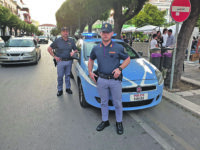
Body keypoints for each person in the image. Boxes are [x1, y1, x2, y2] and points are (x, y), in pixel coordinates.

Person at [88, 23, 130, 135]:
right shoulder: (96, 48)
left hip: (115, 81)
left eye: (107, 32)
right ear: (100, 33)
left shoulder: (118, 47)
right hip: (101, 79)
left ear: (112, 34)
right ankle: (105, 121)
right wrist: (90, 72)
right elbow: (91, 60)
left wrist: (120, 69)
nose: (105, 34)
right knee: (104, 102)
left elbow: (127, 59)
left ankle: (119, 122)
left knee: (117, 103)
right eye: (103, 32)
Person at [47, 27, 78, 96]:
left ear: (68, 33)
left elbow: (76, 49)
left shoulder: (71, 41)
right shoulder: (57, 41)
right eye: (64, 31)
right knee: (60, 76)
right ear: (61, 33)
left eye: (67, 31)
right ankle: (60, 90)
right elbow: (49, 49)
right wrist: (54, 56)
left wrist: (73, 52)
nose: (65, 33)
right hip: (60, 61)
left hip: (69, 61)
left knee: (68, 76)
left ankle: (68, 88)